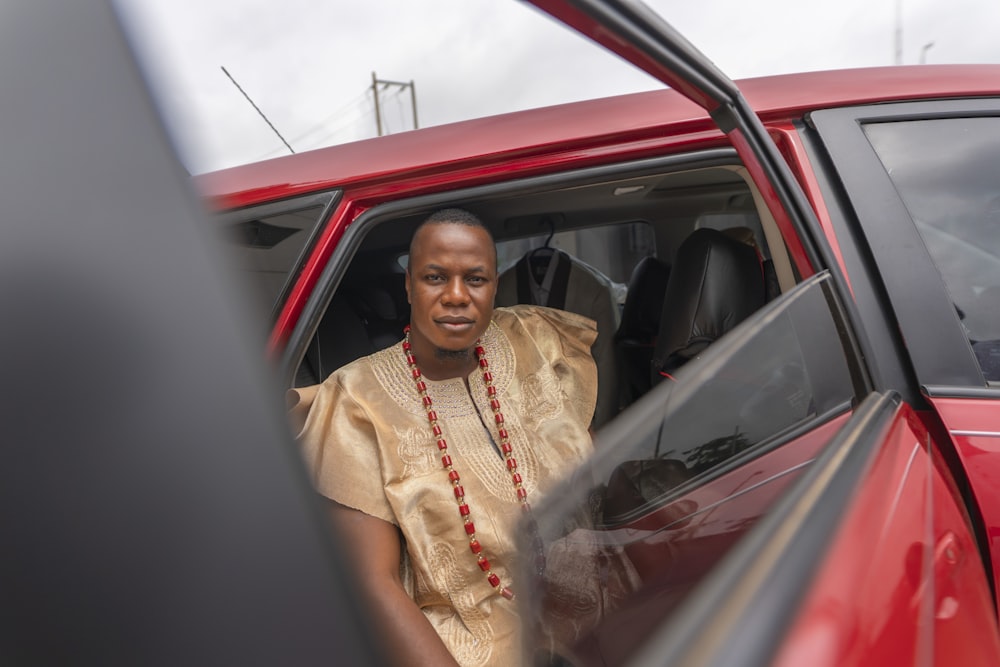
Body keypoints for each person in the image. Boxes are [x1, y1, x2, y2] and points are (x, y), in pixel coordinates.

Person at [295, 208, 599, 666]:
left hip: (595, 618)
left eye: (475, 279)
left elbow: (595, 472)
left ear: (495, 285)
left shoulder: (534, 340)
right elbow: (370, 583)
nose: (457, 296)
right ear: (409, 286)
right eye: (435, 277)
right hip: (472, 648)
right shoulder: (359, 399)